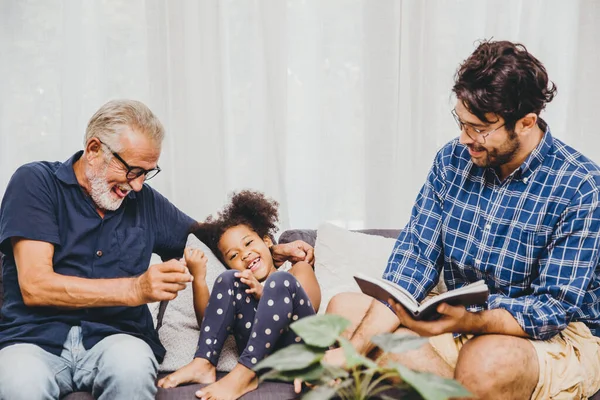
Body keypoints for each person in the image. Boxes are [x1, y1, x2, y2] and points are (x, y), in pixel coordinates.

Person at [325, 40, 600, 399]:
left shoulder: (581, 186)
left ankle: (457, 380)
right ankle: (465, 390)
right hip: (462, 321)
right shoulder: (452, 160)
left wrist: (472, 320)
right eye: (461, 122)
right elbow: (414, 259)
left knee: (484, 361)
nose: (465, 138)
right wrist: (351, 353)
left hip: (550, 335)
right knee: (343, 312)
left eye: (480, 128)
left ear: (527, 122)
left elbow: (551, 309)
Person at [0, 100, 314, 400]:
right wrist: (134, 289)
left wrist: (270, 252)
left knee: (133, 371)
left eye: (147, 173)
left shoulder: (145, 202)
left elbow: (212, 238)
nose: (137, 186)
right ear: (94, 150)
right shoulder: (36, 183)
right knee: (19, 384)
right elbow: (35, 285)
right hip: (33, 340)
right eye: (132, 171)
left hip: (115, 338)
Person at [157, 190, 321, 400]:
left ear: (267, 242)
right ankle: (204, 363)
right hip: (263, 359)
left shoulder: (295, 271)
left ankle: (245, 375)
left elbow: (310, 304)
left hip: (297, 349)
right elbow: (208, 322)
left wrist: (264, 292)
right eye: (234, 255)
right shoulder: (240, 289)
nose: (245, 254)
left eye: (249, 243)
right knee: (229, 279)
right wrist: (199, 277)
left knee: (280, 283)